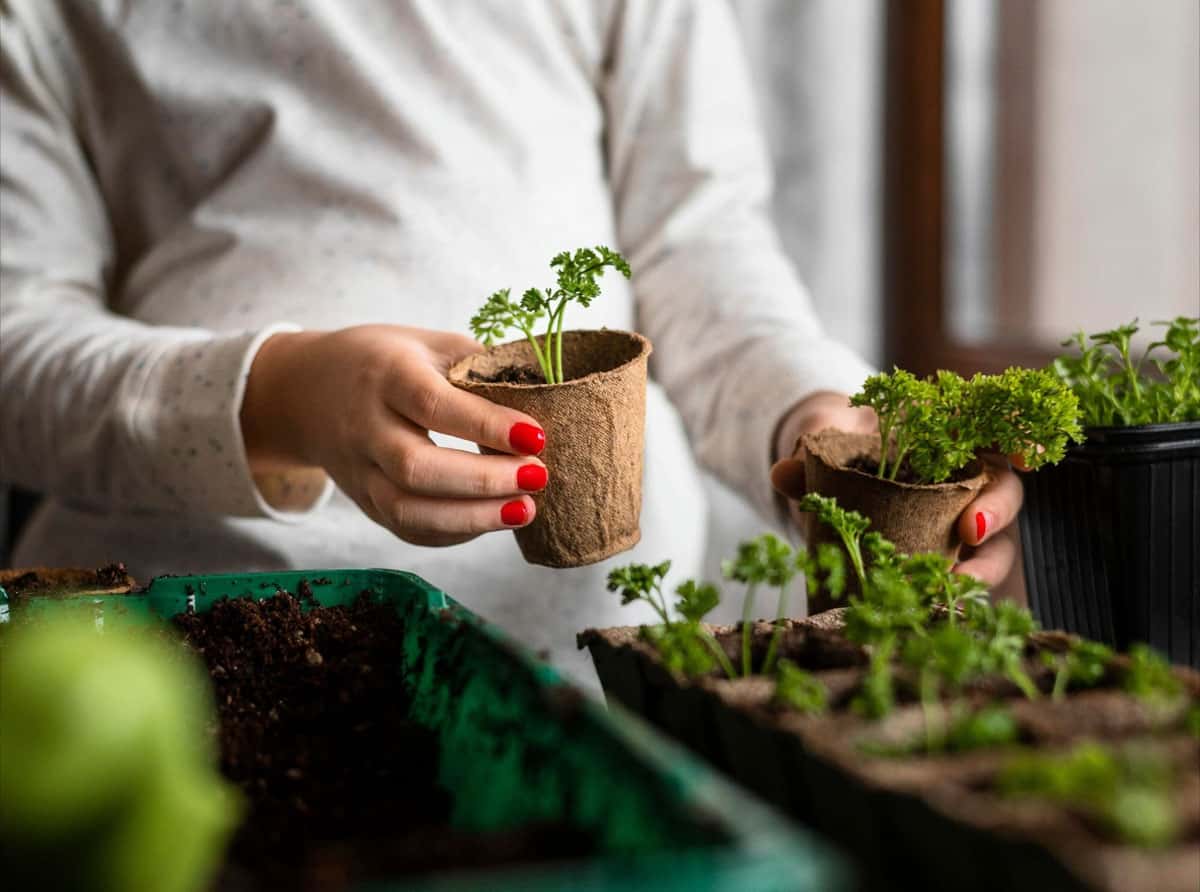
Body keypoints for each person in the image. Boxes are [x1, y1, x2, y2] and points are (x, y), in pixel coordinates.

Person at [0, 1, 1022, 685]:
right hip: (176, 654)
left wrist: (818, 421)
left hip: (603, 670)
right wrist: (284, 395)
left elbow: (697, 244)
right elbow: (16, 344)